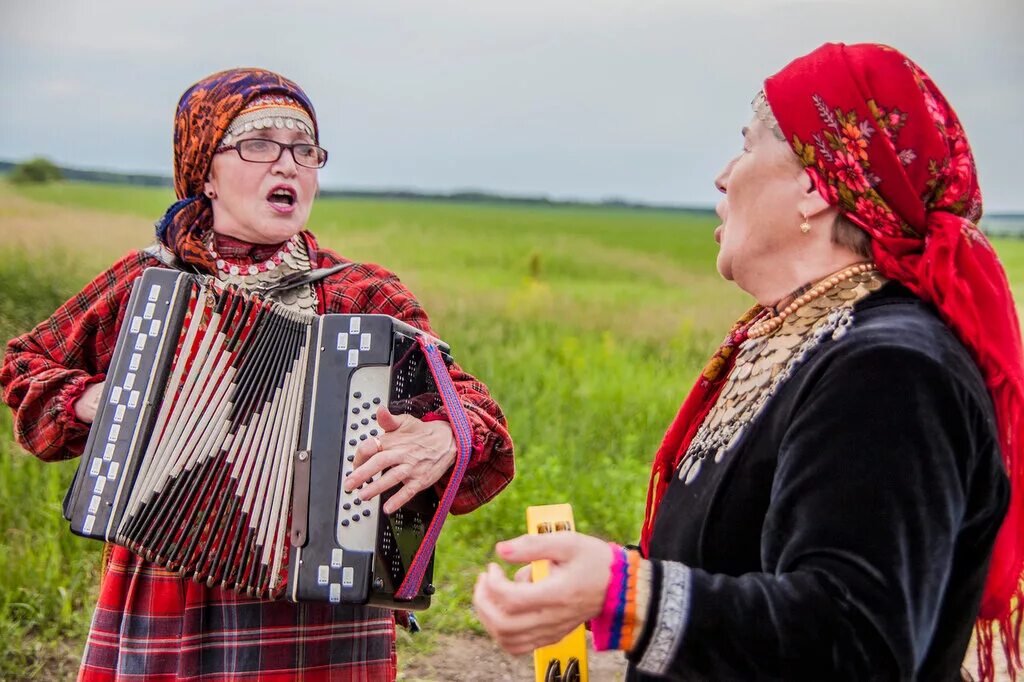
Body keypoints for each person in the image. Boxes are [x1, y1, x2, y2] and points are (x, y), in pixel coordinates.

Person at [473, 43, 1023, 681]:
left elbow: (856, 640)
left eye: (747, 145)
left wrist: (628, 596)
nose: (724, 175)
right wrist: (601, 584)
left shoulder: (892, 369)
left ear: (815, 187)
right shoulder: (809, 337)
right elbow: (750, 567)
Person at [0, 68, 514, 681]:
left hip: (321, 605)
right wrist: (97, 400)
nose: (288, 164)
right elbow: (24, 365)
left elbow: (475, 410)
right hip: (172, 588)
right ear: (205, 173)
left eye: (304, 148)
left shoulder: (361, 294)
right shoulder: (150, 285)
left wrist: (445, 436)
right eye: (259, 143)